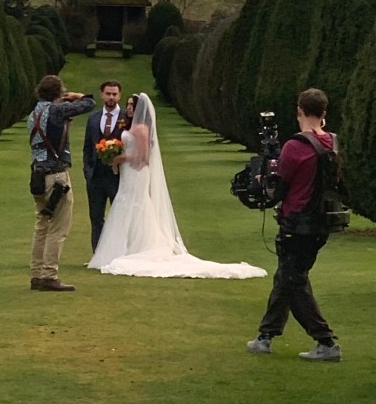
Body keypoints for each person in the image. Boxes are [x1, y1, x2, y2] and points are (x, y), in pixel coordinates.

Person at [87, 93, 266, 279]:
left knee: (137, 204)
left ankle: (139, 247)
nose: (129, 108)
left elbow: (144, 158)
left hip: (137, 173)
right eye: (129, 105)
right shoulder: (129, 126)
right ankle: (124, 247)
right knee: (126, 204)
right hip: (127, 172)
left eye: (132, 105)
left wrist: (120, 158)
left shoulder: (141, 129)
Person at [246, 88, 343, 362]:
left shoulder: (295, 146)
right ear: (324, 113)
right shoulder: (333, 143)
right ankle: (266, 335)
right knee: (287, 276)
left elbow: (278, 186)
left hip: (297, 221)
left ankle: (325, 341)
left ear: (299, 110)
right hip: (322, 221)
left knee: (293, 280)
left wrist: (263, 183)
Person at [28, 75, 95, 291]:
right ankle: (49, 274)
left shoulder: (34, 113)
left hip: (37, 175)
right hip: (56, 175)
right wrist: (79, 96)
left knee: (41, 225)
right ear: (58, 93)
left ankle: (37, 274)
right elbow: (89, 104)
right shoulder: (56, 111)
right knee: (58, 227)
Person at [83, 80, 128, 251]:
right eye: (108, 94)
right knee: (96, 217)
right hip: (95, 176)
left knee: (120, 216)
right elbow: (87, 146)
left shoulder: (126, 118)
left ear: (119, 95)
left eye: (114, 94)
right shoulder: (93, 118)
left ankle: (120, 252)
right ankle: (98, 254)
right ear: (102, 94)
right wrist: (87, 171)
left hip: (118, 176)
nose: (111, 97)